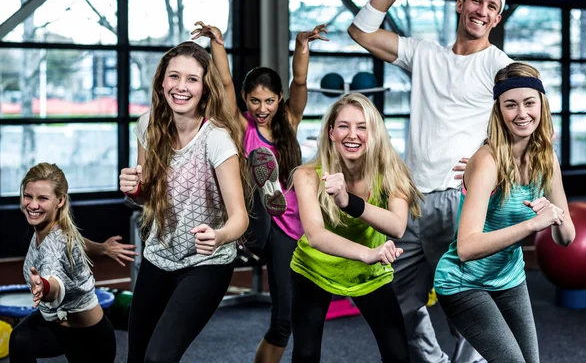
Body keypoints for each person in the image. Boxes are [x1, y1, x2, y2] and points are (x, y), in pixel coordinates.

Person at [348, 0, 513, 362]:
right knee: (395, 304)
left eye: (492, 7)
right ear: (460, 5)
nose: (481, 11)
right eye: (475, 1)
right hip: (409, 201)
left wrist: (490, 163)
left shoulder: (500, 66)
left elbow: (529, 127)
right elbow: (361, 31)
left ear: (497, 19)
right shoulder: (424, 54)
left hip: (460, 202)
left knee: (469, 308)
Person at [191, 21, 328, 363]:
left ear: (279, 99)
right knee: (282, 319)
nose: (262, 108)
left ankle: (271, 190)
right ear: (245, 99)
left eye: (269, 100)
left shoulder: (290, 122)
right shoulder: (241, 125)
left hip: (304, 222)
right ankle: (259, 193)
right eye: (255, 100)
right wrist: (217, 44)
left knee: (294, 321)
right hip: (267, 225)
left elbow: (300, 81)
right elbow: (223, 81)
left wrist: (301, 45)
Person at [433, 62, 576, 362]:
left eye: (529, 103)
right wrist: (532, 225)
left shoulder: (546, 158)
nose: (522, 113)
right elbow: (466, 248)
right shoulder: (488, 162)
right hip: (463, 283)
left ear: (542, 105)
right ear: (499, 111)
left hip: (509, 278)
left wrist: (556, 215)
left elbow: (566, 238)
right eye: (510, 105)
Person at [118, 41, 250, 362]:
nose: (181, 86)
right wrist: (133, 190)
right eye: (174, 76)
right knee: (137, 356)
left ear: (205, 88)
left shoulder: (216, 138)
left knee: (159, 357)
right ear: (162, 80)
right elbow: (147, 196)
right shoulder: (147, 125)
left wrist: (218, 236)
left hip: (207, 262)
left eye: (192, 79)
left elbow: (240, 218)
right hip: (160, 254)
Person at [290, 93, 422, 362]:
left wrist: (348, 202)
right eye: (343, 126)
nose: (353, 134)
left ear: (373, 133)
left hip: (369, 274)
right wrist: (369, 253)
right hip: (314, 268)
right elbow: (316, 236)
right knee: (305, 354)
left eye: (362, 127)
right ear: (331, 133)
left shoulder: (392, 172)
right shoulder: (306, 175)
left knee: (397, 355)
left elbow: (397, 227)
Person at [9, 162, 116, 363]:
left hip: (90, 339)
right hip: (54, 327)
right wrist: (102, 248)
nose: (32, 205)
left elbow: (54, 279)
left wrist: (45, 287)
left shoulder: (55, 243)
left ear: (60, 200)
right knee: (20, 339)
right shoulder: (55, 229)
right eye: (28, 196)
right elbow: (77, 241)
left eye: (42, 198)